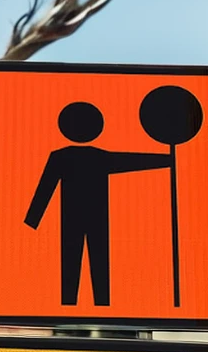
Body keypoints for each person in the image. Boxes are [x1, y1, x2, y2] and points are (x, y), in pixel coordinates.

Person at [24, 101, 170, 306]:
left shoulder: (63, 156)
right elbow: (133, 161)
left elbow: (45, 188)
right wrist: (168, 160)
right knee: (94, 260)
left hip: (76, 217)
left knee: (76, 260)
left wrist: (33, 220)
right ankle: (95, 302)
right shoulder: (97, 156)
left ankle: (77, 303)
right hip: (93, 218)